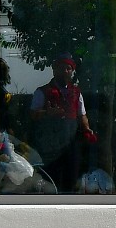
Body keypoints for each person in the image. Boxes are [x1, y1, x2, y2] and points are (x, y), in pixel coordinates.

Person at [30, 54, 94, 192]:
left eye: (68, 69)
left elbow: (82, 114)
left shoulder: (76, 92)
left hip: (71, 139)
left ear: (72, 71)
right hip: (50, 141)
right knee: (52, 175)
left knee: (71, 173)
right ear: (54, 70)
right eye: (61, 68)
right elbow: (33, 115)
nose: (65, 71)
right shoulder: (43, 91)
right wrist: (47, 113)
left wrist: (87, 129)